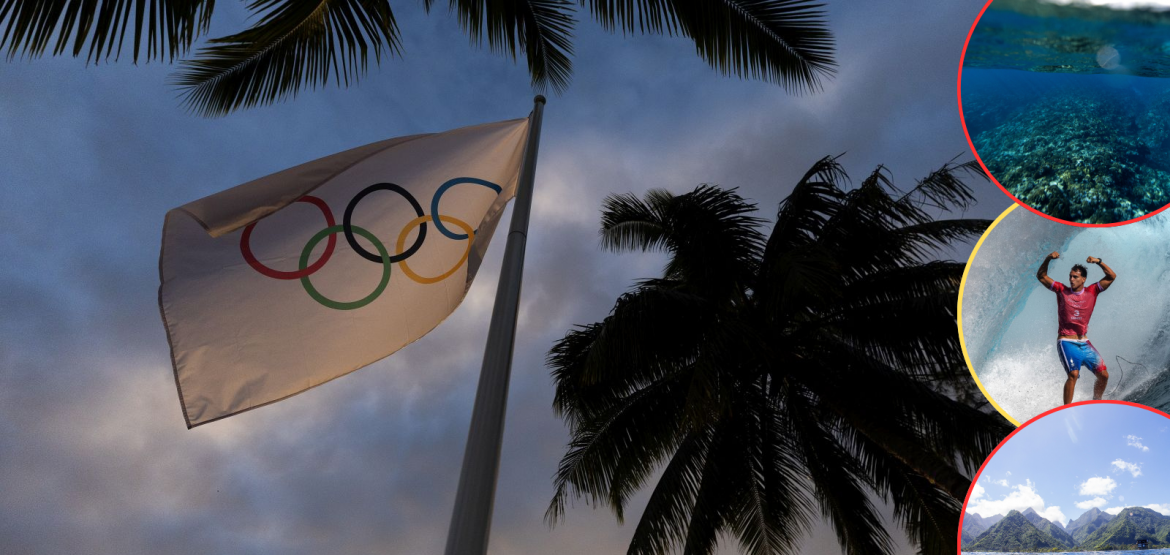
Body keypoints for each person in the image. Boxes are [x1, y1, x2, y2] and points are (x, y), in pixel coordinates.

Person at [1036, 252, 1116, 404]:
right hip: (1066, 341)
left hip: (1084, 342)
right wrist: (1047, 259)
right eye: (1070, 276)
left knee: (1104, 376)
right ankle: (1067, 410)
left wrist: (1098, 261)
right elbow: (1041, 276)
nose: (1071, 279)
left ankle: (1096, 401)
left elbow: (1112, 276)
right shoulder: (1061, 290)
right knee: (1073, 374)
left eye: (1075, 277)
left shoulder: (1092, 291)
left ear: (1083, 279)